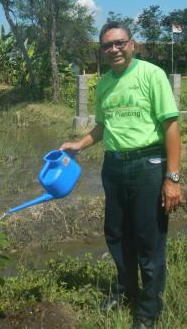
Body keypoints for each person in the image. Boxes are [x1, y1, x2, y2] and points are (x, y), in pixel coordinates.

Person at [60, 22, 183, 329]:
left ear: (132, 44)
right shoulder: (103, 84)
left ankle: (147, 311)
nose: (113, 49)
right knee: (116, 233)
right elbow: (103, 127)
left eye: (119, 43)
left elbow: (171, 128)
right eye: (107, 46)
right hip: (113, 167)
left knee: (149, 240)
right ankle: (126, 292)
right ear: (101, 51)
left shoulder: (151, 75)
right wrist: (79, 144)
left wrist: (172, 179)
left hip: (148, 165)